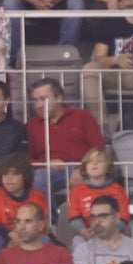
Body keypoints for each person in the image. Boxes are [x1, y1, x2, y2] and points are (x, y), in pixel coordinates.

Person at [28, 79, 106, 210]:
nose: (39, 105)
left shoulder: (82, 116)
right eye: (35, 100)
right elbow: (27, 160)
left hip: (84, 167)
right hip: (49, 171)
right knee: (39, 178)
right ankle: (50, 225)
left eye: (43, 99)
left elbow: (98, 148)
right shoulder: (31, 126)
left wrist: (82, 169)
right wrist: (47, 162)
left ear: (59, 98)